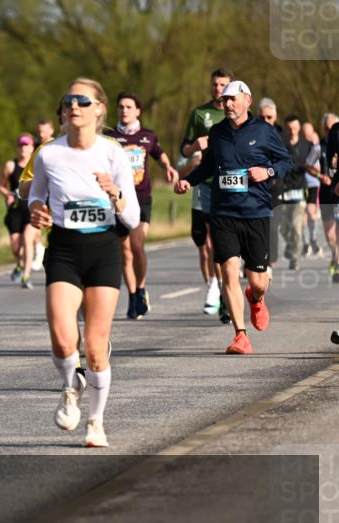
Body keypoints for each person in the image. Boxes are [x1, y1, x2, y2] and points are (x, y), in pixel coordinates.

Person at [28, 77, 139, 448]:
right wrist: (37, 212)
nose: (74, 106)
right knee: (63, 340)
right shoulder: (48, 153)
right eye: (68, 100)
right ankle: (69, 384)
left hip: (104, 249)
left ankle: (95, 420)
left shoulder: (113, 154)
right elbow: (35, 197)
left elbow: (134, 219)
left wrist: (117, 194)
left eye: (83, 101)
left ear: (99, 110)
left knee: (94, 346)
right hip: (63, 248)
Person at [175, 80, 292, 354]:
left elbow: (285, 161)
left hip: (256, 212)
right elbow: (206, 167)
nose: (227, 104)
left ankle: (257, 298)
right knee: (229, 272)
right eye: (224, 100)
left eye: (232, 99)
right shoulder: (217, 133)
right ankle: (241, 335)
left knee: (257, 281)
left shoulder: (264, 131)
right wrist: (188, 181)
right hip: (223, 212)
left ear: (247, 101)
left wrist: (269, 172)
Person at [104, 92, 178, 319]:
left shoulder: (148, 136)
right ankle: (133, 295)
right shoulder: (109, 137)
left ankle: (142, 288)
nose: (124, 110)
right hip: (118, 200)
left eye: (128, 107)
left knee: (137, 245)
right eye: (121, 107)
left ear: (138, 111)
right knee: (124, 252)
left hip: (141, 197)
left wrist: (168, 167)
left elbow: (159, 154)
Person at [181, 67, 233, 321]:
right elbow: (184, 149)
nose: (218, 88)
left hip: (232, 184)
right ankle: (218, 287)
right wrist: (195, 146)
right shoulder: (201, 113)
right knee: (210, 242)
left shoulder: (238, 114)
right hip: (206, 183)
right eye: (214, 84)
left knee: (225, 240)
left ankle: (225, 285)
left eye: (223, 84)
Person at [0, 133, 37, 288]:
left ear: (32, 147)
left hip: (31, 209)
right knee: (16, 247)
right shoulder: (10, 165)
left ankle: (26, 277)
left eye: (26, 144)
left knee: (28, 240)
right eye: (21, 144)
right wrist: (7, 194)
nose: (23, 147)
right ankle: (19, 264)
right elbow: (1, 185)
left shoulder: (37, 164)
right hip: (15, 210)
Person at [279, 114, 310, 270]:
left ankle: (295, 259)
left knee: (297, 228)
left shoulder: (306, 145)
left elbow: (312, 170)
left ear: (299, 128)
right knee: (284, 228)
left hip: (298, 192)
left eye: (295, 128)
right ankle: (291, 247)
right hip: (283, 193)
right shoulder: (281, 144)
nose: (292, 131)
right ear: (286, 128)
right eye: (289, 128)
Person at [318, 113, 339, 280]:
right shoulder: (319, 146)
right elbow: (309, 165)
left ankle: (338, 261)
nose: (330, 130)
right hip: (326, 192)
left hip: (337, 192)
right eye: (327, 128)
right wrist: (320, 176)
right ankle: (335, 254)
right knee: (329, 233)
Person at [300, 121, 322, 258]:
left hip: (313, 184)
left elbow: (318, 168)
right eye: (306, 135)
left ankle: (313, 240)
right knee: (301, 216)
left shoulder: (316, 147)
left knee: (311, 213)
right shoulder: (299, 146)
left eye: (310, 135)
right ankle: (306, 243)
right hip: (300, 185)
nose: (309, 138)